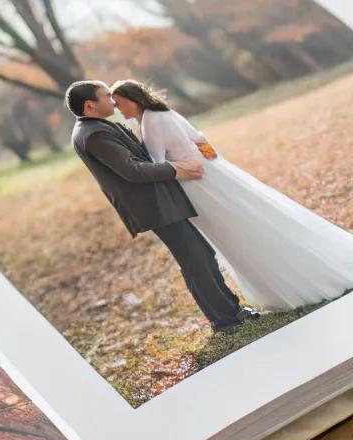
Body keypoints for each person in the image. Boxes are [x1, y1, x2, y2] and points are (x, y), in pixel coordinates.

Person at [111, 79, 353, 310]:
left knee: (236, 232)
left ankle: (295, 283)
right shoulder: (164, 112)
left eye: (120, 102)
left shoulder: (150, 121)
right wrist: (201, 155)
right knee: (252, 218)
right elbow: (200, 139)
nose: (118, 109)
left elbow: (158, 163)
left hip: (195, 183)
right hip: (214, 173)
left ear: (134, 99)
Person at [65, 79, 251, 334]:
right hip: (152, 205)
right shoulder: (94, 134)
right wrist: (178, 169)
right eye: (107, 97)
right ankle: (226, 320)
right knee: (196, 258)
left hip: (158, 199)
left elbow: (138, 157)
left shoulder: (95, 128)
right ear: (89, 105)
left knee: (201, 255)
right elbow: (132, 170)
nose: (113, 101)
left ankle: (231, 311)